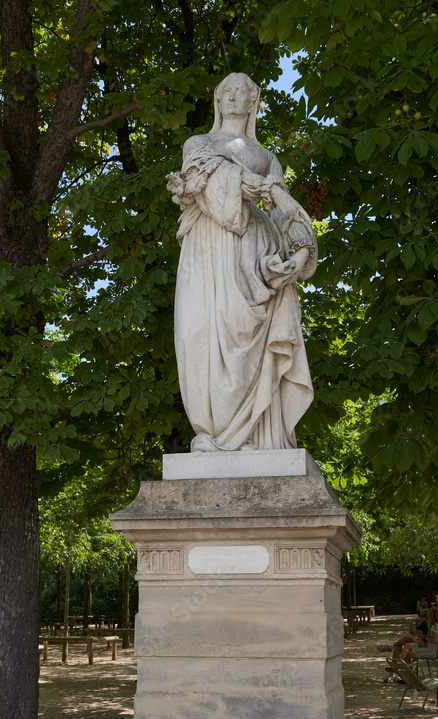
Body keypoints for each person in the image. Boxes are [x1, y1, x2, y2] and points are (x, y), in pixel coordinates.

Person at [166, 72, 318, 452]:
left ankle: (248, 433)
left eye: (243, 93)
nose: (234, 98)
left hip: (254, 254)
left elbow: (286, 215)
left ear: (254, 102)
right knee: (195, 332)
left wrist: (299, 251)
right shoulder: (198, 144)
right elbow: (210, 177)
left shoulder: (268, 157)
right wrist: (269, 190)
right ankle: (212, 432)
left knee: (244, 337)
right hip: (207, 246)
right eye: (227, 92)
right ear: (218, 100)